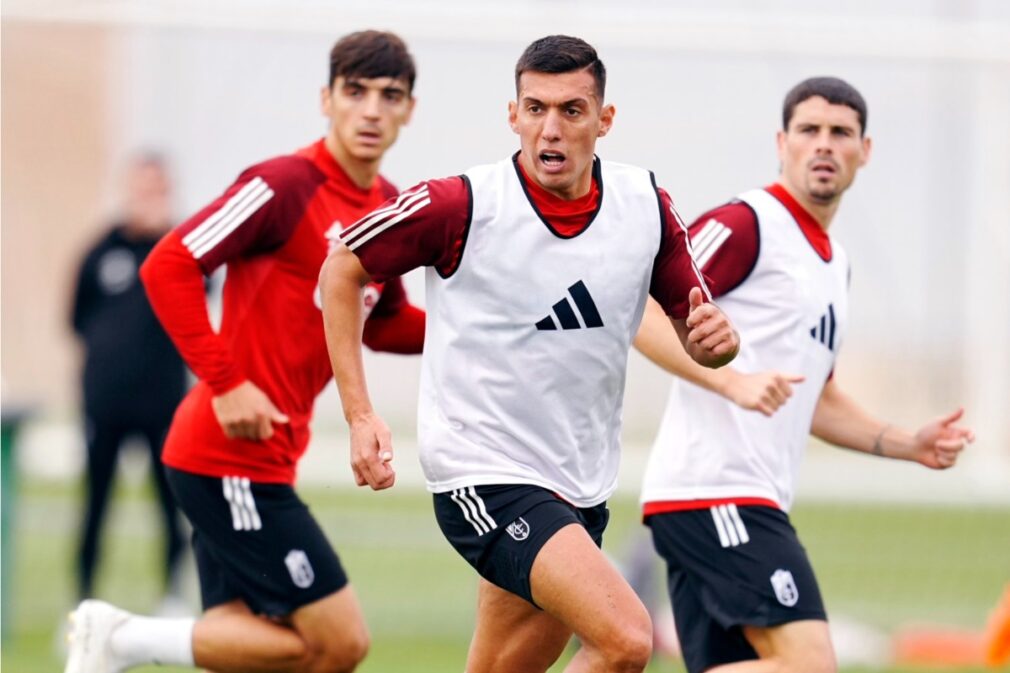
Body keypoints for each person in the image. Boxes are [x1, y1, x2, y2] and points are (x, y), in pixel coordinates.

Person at [319, 35, 740, 673]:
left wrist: (717, 343)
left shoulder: (644, 204)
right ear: (512, 115)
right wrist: (359, 413)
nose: (551, 127)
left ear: (604, 120)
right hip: (483, 470)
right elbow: (342, 268)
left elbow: (698, 329)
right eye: (535, 108)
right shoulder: (460, 204)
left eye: (571, 110)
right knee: (626, 640)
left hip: (579, 484)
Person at [64, 30, 424, 673]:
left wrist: (487, 333)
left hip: (269, 456)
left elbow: (384, 322)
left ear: (408, 111)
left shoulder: (387, 208)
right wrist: (226, 382)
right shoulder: (284, 185)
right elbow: (168, 265)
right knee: (340, 643)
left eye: (389, 95)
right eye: (356, 92)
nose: (371, 110)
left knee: (258, 649)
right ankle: (119, 637)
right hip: (226, 456)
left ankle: (127, 640)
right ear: (327, 99)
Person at [635, 76, 976, 673]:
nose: (824, 144)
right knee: (812, 664)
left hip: (746, 497)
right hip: (715, 492)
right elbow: (640, 310)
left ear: (863, 151)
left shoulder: (833, 265)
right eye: (809, 130)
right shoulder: (749, 223)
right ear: (782, 142)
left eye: (840, 132)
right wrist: (732, 381)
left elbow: (814, 399)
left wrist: (908, 444)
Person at [69, 152, 188, 610]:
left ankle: (173, 596)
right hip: (106, 404)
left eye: (157, 190)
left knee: (170, 503)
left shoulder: (180, 249)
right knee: (95, 505)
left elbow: (205, 296)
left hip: (163, 404)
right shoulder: (100, 251)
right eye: (141, 189)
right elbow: (77, 319)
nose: (148, 199)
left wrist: (166, 237)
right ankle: (83, 601)